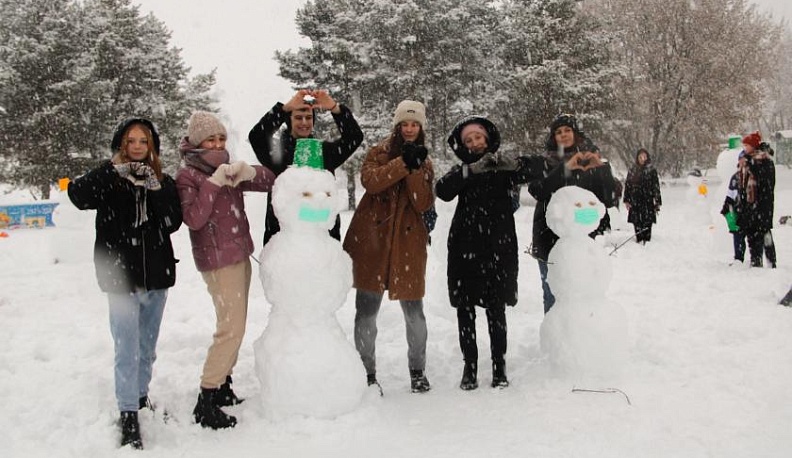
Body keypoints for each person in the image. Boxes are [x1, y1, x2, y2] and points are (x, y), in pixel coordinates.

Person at [68, 118, 182, 450]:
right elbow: (77, 195)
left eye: (143, 141)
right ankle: (128, 413)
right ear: (121, 145)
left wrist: (155, 191)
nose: (136, 146)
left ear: (152, 147)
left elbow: (173, 221)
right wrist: (112, 169)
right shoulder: (107, 181)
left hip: (156, 276)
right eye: (130, 141)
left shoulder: (164, 181)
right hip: (119, 277)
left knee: (146, 347)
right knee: (126, 347)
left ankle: (141, 396)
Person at [175, 111, 276, 429]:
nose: (218, 144)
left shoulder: (226, 168)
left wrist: (249, 172)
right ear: (195, 143)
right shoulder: (188, 176)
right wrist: (213, 185)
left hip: (239, 255)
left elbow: (269, 181)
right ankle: (206, 398)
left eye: (221, 138)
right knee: (230, 329)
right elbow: (193, 219)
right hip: (218, 262)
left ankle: (223, 387)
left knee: (236, 325)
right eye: (211, 139)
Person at [436, 116, 543, 390]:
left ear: (488, 138)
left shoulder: (503, 168)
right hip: (464, 248)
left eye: (478, 137)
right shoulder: (462, 170)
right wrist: (470, 171)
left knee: (497, 310)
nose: (474, 143)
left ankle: (499, 365)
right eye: (468, 140)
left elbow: (538, 168)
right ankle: (469, 366)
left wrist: (515, 164)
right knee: (465, 310)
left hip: (498, 247)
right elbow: (443, 191)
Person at [342, 100, 435, 394]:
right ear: (397, 125)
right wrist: (403, 163)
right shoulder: (378, 153)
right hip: (373, 243)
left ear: (420, 127)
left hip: (408, 245)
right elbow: (371, 182)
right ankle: (365, 373)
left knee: (415, 314)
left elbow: (422, 202)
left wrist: (416, 167)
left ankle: (417, 371)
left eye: (414, 124)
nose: (409, 129)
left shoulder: (427, 160)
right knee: (366, 313)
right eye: (405, 124)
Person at [527, 113, 618, 314]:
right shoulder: (543, 162)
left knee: (583, 292)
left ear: (576, 133)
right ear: (553, 137)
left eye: (568, 130)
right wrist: (565, 168)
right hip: (548, 237)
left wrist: (602, 169)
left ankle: (582, 338)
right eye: (558, 132)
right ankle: (556, 339)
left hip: (583, 240)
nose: (564, 135)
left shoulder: (591, 160)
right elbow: (538, 191)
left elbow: (609, 199)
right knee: (552, 292)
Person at [248, 89, 363, 245]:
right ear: (289, 121)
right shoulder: (276, 154)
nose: (304, 122)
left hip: (322, 241)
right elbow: (256, 136)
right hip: (285, 242)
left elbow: (354, 137)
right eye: (298, 117)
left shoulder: (325, 152)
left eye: (308, 118)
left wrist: (335, 108)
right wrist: (284, 109)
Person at [735, 132, 776, 268]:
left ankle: (771, 261)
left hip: (762, 205)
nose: (744, 148)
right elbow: (742, 184)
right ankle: (755, 260)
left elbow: (764, 180)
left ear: (753, 146)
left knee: (764, 234)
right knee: (751, 234)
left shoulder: (765, 160)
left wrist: (751, 165)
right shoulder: (746, 160)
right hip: (749, 205)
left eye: (747, 145)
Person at [623, 148, 662, 244]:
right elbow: (628, 185)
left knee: (647, 220)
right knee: (637, 221)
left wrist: (657, 200)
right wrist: (626, 200)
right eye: (640, 157)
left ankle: (647, 239)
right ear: (637, 158)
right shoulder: (633, 170)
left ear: (647, 157)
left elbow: (655, 186)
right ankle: (639, 238)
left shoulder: (651, 170)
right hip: (635, 199)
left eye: (644, 156)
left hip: (647, 199)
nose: (642, 159)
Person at [721, 153, 748, 265]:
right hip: (739, 210)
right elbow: (730, 194)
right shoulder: (735, 177)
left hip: (751, 210)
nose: (742, 162)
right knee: (738, 234)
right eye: (741, 160)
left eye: (744, 160)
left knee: (753, 237)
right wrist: (726, 206)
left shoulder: (752, 175)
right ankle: (738, 258)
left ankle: (757, 259)